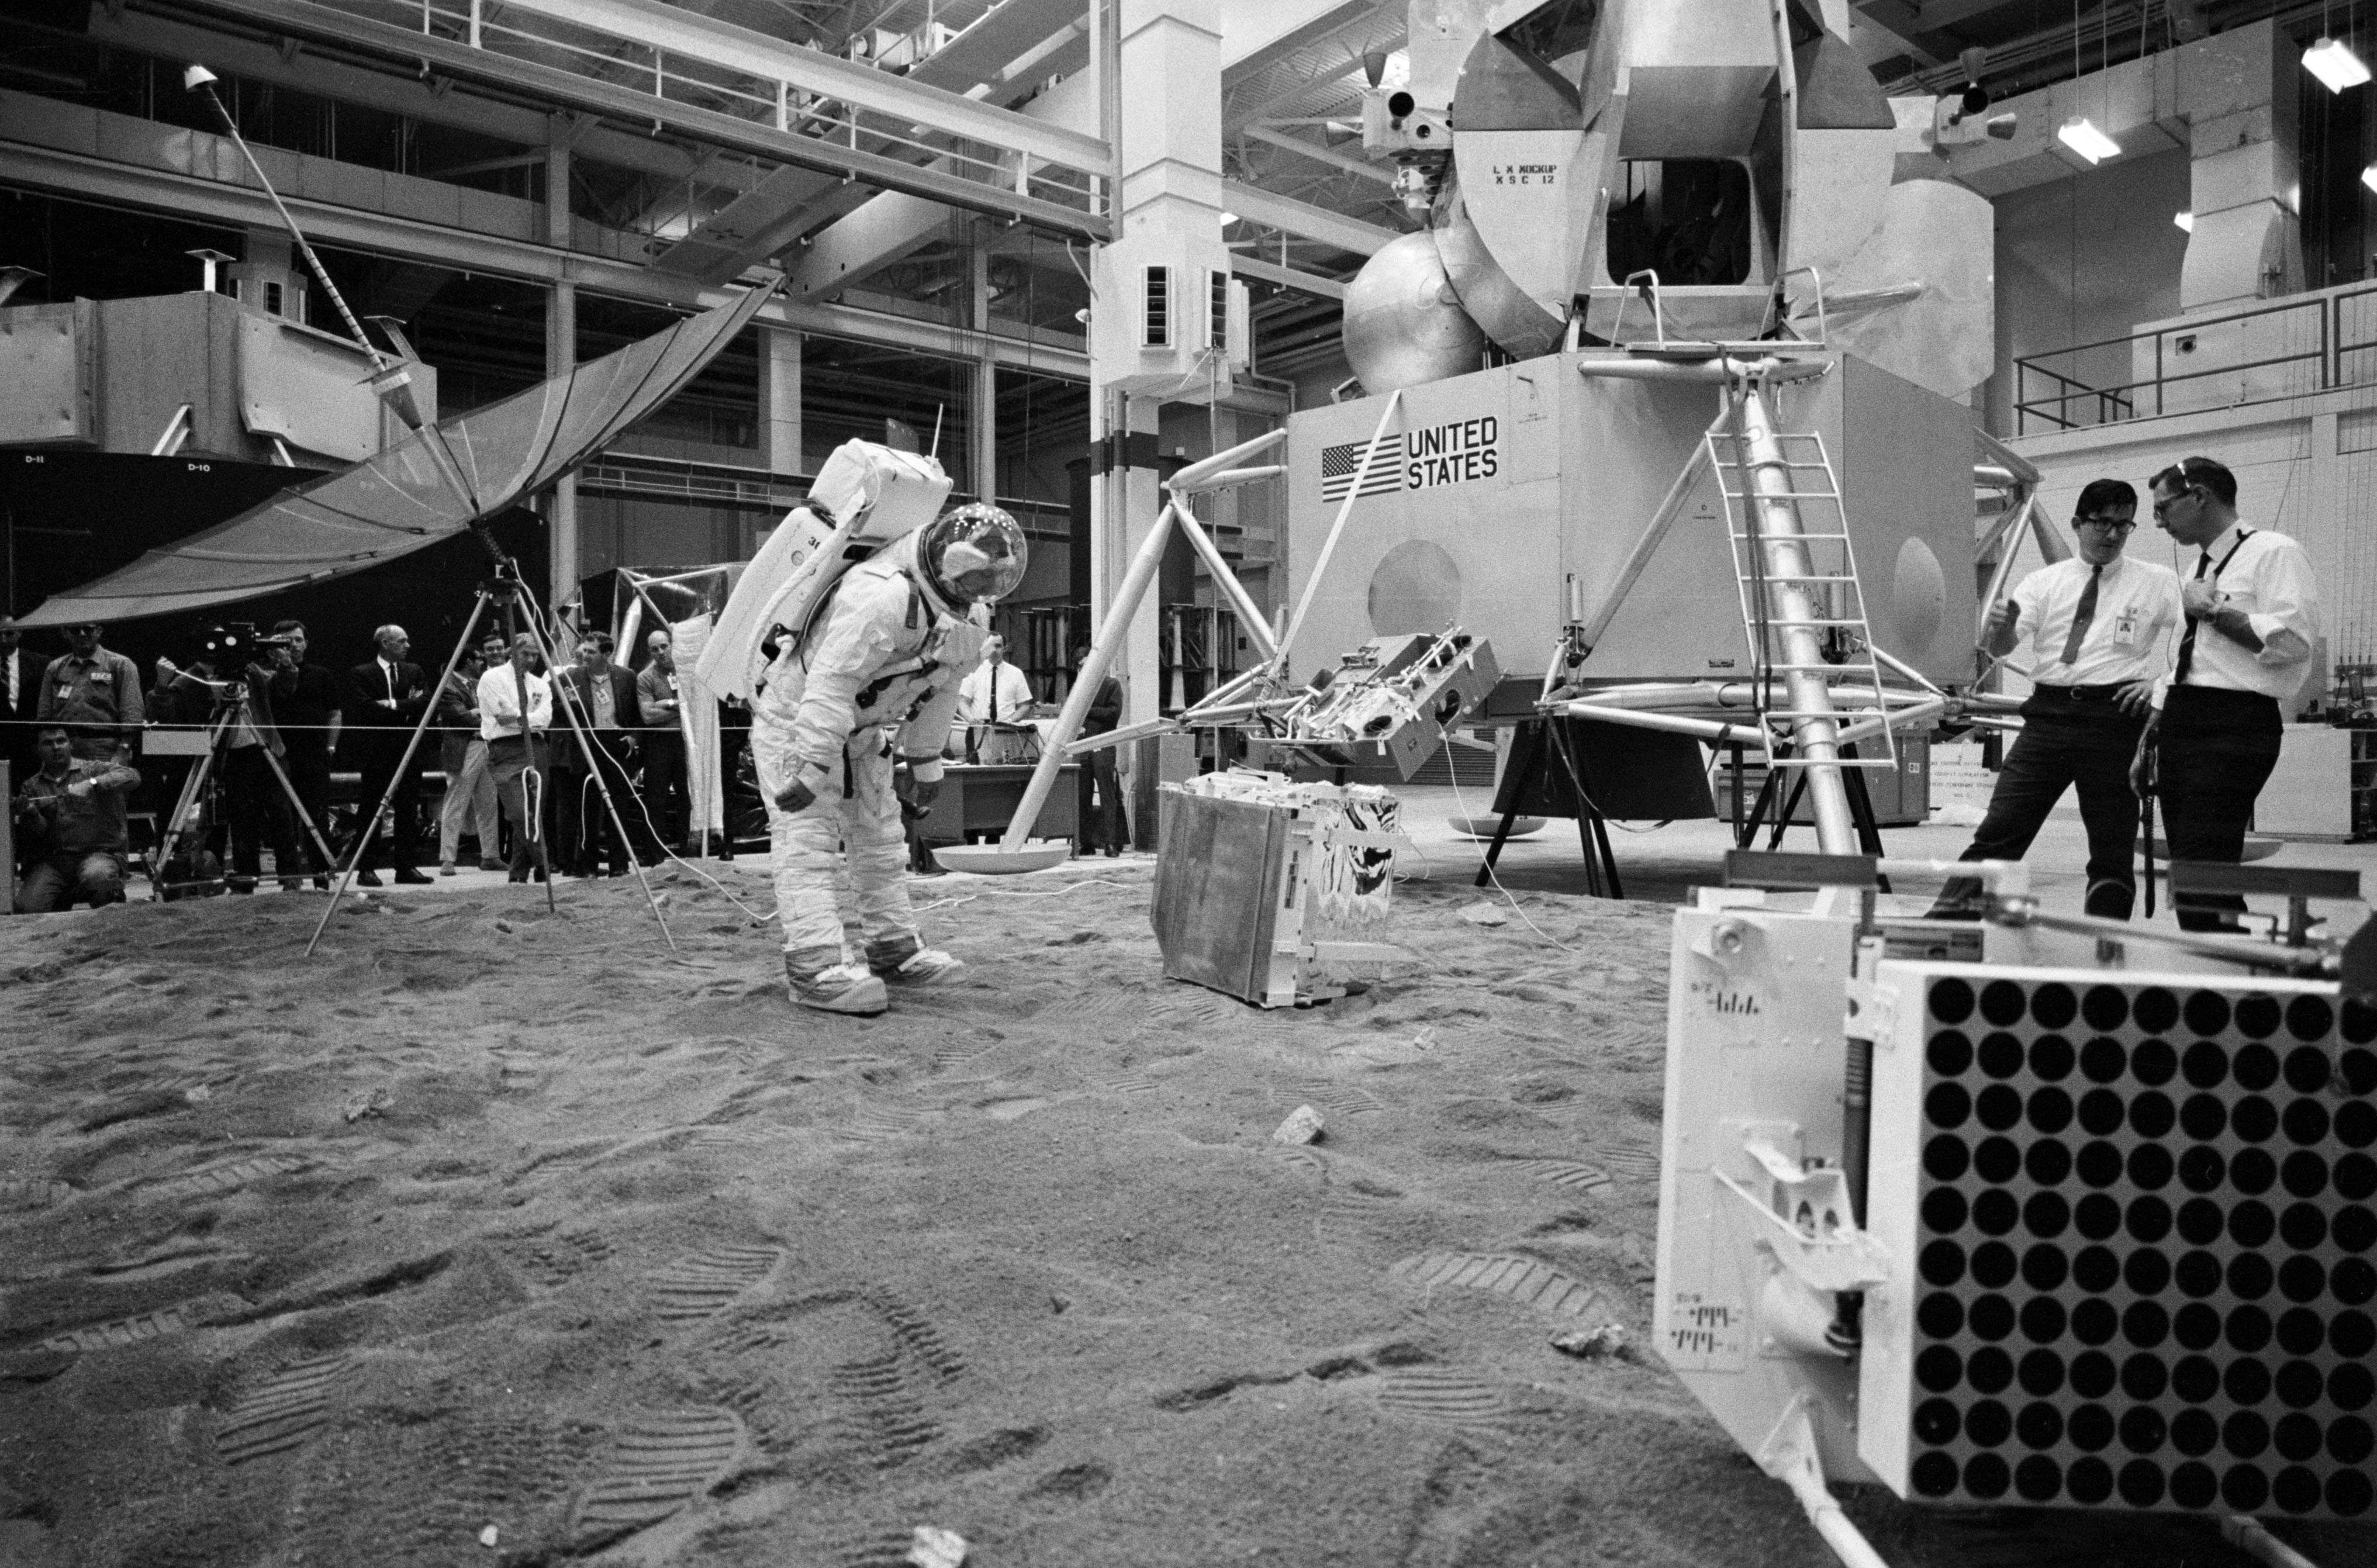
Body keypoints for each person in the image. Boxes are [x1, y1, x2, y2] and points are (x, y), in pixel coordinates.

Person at [752, 501, 1025, 1014]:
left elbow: (942, 688)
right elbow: (830, 683)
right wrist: (810, 764)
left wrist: (926, 761)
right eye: (974, 574)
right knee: (806, 835)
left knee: (880, 838)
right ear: (949, 560)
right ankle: (814, 965)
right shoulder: (880, 594)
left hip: (864, 730)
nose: (980, 588)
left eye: (991, 578)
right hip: (798, 720)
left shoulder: (971, 615)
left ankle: (892, 949)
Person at [1930, 480, 2179, 920]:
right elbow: (2003, 648)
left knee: (2112, 846)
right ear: (2077, 524)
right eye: (2103, 523)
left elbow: (2201, 639)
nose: (2113, 535)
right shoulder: (2043, 583)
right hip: (2048, 720)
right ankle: (1947, 923)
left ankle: (2106, 947)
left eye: (2124, 525)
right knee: (2001, 830)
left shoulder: (2156, 582)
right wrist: (2001, 628)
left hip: (2115, 719)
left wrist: (2162, 683)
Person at [2136, 455, 2321, 932]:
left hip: (2234, 724)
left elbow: (2294, 642)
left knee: (2203, 862)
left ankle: (2223, 979)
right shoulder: (2203, 566)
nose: (2159, 521)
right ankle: (2222, 964)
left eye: (2163, 508)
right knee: (2191, 867)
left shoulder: (2274, 552)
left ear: (2199, 496)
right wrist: (2153, 730)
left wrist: (2214, 611)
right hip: (2183, 719)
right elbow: (2185, 657)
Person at [152, 631, 303, 894]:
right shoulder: (193, 677)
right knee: (243, 822)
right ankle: (246, 881)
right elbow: (164, 718)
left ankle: (292, 879)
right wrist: (161, 686)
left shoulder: (249, 670)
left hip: (268, 750)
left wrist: (286, 664)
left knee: (283, 817)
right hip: (230, 757)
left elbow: (282, 688)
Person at [13, 724, 140, 911]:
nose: (56, 747)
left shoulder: (93, 770)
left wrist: (92, 784)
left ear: (70, 745)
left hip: (98, 856)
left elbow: (132, 776)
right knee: (26, 907)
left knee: (99, 878)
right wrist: (31, 814)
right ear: (38, 749)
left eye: (61, 741)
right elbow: (37, 834)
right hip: (56, 864)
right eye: (48, 743)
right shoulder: (32, 786)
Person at [344, 624, 433, 886]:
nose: (408, 646)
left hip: (409, 749)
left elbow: (425, 703)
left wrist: (393, 704)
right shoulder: (362, 674)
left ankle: (406, 867)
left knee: (408, 809)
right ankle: (367, 868)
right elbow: (366, 709)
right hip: (376, 752)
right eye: (402, 641)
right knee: (372, 808)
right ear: (385, 643)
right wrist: (407, 708)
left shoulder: (413, 671)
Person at [552, 637, 642, 877]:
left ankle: (619, 865)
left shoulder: (627, 677)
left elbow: (636, 713)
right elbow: (556, 714)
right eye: (584, 651)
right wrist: (569, 703)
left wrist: (634, 737)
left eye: (591, 652)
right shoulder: (568, 679)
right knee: (588, 809)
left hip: (616, 744)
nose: (585, 656)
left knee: (619, 806)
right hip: (586, 745)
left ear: (607, 654)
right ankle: (588, 866)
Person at [271, 619, 342, 887]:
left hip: (314, 754)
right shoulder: (267, 676)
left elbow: (335, 712)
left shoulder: (321, 675)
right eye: (286, 641)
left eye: (298, 640)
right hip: (278, 754)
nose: (293, 645)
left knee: (317, 817)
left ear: (307, 643)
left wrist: (331, 746)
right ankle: (289, 880)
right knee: (282, 819)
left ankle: (321, 877)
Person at [479, 631, 554, 883]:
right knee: (518, 813)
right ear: (513, 650)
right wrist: (528, 719)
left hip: (536, 747)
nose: (532, 659)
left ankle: (518, 875)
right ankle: (543, 861)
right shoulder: (492, 678)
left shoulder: (540, 684)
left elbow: (545, 719)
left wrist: (521, 718)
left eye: (535, 654)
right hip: (504, 749)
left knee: (534, 811)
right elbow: (501, 716)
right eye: (526, 653)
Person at [436, 640, 503, 874]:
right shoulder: (447, 686)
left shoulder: (477, 683)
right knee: (456, 803)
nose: (482, 663)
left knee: (488, 802)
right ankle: (447, 858)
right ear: (467, 662)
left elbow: (481, 713)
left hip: (484, 744)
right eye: (478, 660)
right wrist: (486, 715)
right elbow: (462, 718)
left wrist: (480, 713)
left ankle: (490, 855)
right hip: (465, 748)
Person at [37, 621, 142, 765]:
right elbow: (44, 716)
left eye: (88, 629)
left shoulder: (120, 665)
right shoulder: (55, 668)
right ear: (65, 633)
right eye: (75, 630)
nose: (82, 634)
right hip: (63, 747)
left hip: (105, 748)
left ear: (99, 631)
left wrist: (123, 750)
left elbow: (132, 714)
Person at [1071, 641, 1128, 856]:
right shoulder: (1078, 688)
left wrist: (1087, 710)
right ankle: (1085, 842)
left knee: (1107, 795)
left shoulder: (1111, 685)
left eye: (1086, 665)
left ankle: (1110, 843)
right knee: (1082, 796)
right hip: (1083, 744)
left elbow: (1113, 714)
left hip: (1103, 744)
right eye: (1079, 667)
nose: (1083, 670)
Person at [635, 629, 689, 859]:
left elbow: (695, 707)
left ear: (672, 645)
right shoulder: (645, 678)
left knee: (687, 797)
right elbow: (647, 715)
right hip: (659, 742)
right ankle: (655, 854)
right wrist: (677, 705)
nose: (660, 652)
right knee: (656, 799)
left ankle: (689, 850)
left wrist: (664, 705)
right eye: (655, 649)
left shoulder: (686, 672)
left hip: (685, 741)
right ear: (650, 652)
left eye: (664, 646)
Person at [958, 634, 1037, 764]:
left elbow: (1025, 706)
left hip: (1005, 733)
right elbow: (962, 702)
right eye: (990, 646)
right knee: (977, 772)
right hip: (978, 732)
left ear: (1005, 648)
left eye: (998, 646)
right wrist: (971, 719)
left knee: (1005, 766)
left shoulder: (1016, 674)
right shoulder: (973, 671)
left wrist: (1010, 721)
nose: (994, 650)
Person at [1, 622, 42, 791]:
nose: (2, 639)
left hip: (29, 744)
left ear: (20, 632)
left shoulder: (40, 663)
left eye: (9, 633)